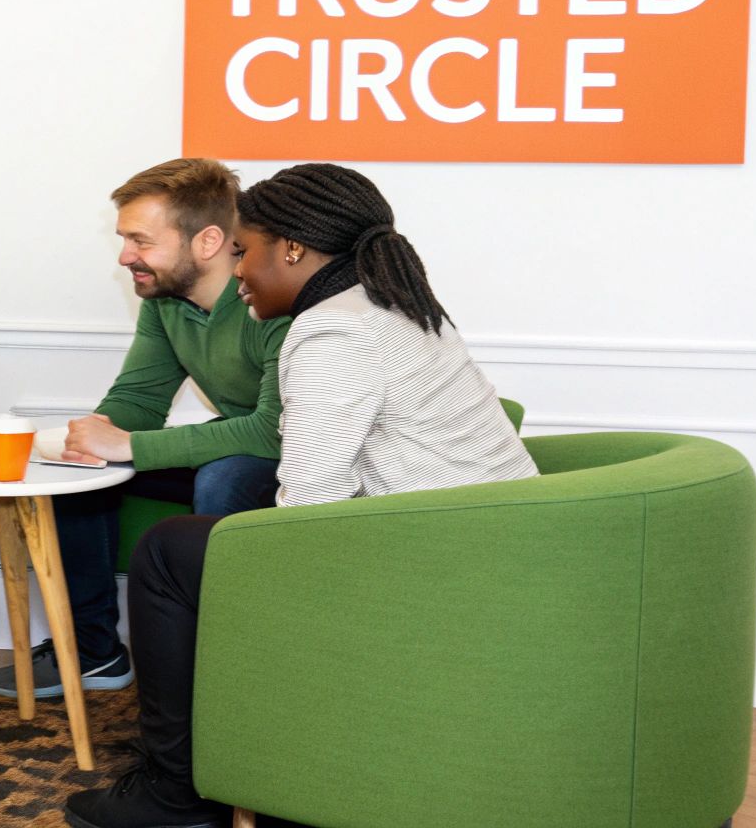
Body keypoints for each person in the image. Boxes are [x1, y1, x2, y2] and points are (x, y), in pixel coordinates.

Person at [62, 163, 541, 828]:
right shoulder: (386, 302)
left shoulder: (330, 332)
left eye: (246, 249)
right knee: (199, 540)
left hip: (444, 565)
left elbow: (311, 516)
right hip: (494, 549)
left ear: (290, 249)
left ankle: (176, 795)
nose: (237, 270)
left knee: (170, 552)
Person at [0, 159, 289, 701]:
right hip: (244, 438)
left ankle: (219, 669)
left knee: (224, 477)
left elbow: (274, 432)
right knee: (74, 473)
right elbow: (141, 399)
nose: (126, 256)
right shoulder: (166, 299)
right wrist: (94, 438)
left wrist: (128, 444)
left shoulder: (273, 297)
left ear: (209, 240)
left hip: (302, 455)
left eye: (140, 241)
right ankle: (94, 651)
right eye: (125, 239)